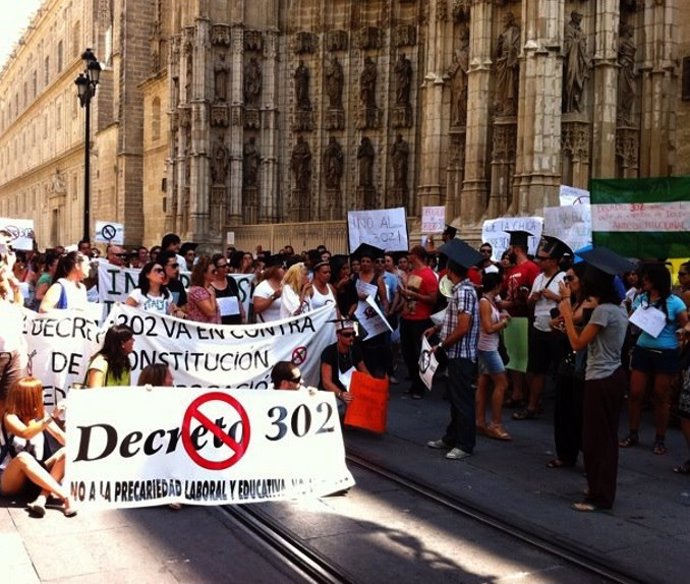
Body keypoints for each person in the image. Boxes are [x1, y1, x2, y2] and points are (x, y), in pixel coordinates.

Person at [558, 247, 632, 511]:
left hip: (601, 377)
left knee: (596, 439)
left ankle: (600, 496)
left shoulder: (604, 312)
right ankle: (598, 488)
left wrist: (566, 313)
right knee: (603, 437)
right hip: (611, 376)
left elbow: (577, 344)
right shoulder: (617, 309)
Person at [620, 262, 688, 455]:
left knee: (661, 396)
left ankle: (660, 438)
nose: (644, 281)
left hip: (666, 352)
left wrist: (681, 331)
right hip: (643, 348)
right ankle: (633, 433)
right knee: (635, 393)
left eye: (647, 278)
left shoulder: (675, 302)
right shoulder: (641, 298)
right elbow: (632, 319)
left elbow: (685, 324)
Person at [425, 239, 482, 460]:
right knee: (455, 398)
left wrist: (441, 344)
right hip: (456, 353)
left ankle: (465, 444)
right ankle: (451, 437)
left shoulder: (464, 292)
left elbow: (463, 327)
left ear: (450, 270)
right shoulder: (460, 290)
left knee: (462, 399)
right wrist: (437, 328)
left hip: (462, 354)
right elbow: (455, 319)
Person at [0, 377, 76, 517]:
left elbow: (60, 437)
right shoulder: (10, 416)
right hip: (12, 480)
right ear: (29, 396)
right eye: (40, 392)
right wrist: (50, 418)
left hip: (37, 475)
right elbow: (26, 433)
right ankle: (65, 497)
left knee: (67, 452)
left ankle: (41, 499)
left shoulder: (42, 415)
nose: (43, 394)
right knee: (23, 457)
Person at [514, 236, 569, 421]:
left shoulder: (563, 278)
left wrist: (554, 296)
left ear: (553, 261)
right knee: (535, 369)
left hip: (557, 330)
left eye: (542, 258)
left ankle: (563, 408)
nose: (538, 261)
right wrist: (532, 299)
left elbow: (569, 303)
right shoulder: (538, 278)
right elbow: (529, 303)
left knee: (562, 371)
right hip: (538, 326)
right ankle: (532, 405)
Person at [547, 262, 592, 468]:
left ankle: (589, 458)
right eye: (565, 279)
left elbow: (574, 318)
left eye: (571, 278)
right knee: (563, 409)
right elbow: (556, 321)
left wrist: (564, 300)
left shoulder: (589, 302)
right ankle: (565, 453)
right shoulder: (572, 301)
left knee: (580, 412)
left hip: (582, 363)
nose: (566, 283)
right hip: (565, 358)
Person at [498, 230, 540, 409]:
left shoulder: (531, 268)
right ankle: (517, 393)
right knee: (513, 357)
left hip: (525, 318)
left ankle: (529, 397)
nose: (508, 251)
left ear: (516, 249)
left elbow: (532, 294)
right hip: (512, 319)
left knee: (525, 358)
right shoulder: (513, 270)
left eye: (511, 247)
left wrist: (513, 303)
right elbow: (506, 291)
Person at [475, 272, 512, 440]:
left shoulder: (490, 302)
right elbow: (488, 328)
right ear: (496, 285)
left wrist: (501, 316)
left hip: (487, 346)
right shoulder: (485, 303)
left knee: (483, 383)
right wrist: (502, 323)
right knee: (502, 383)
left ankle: (480, 421)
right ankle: (495, 423)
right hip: (488, 348)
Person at [399, 245, 439, 399]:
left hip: (420, 320)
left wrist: (416, 297)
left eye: (410, 254)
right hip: (407, 317)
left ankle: (420, 386)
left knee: (418, 353)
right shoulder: (412, 273)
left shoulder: (428, 275)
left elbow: (433, 299)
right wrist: (404, 294)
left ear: (415, 256)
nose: (408, 256)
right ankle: (414, 382)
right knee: (408, 352)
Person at [320, 319, 370, 406]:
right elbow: (326, 382)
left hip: (350, 389)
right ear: (338, 335)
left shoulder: (355, 349)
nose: (351, 337)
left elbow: (365, 372)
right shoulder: (329, 352)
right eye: (347, 335)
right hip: (333, 392)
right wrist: (340, 394)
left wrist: (376, 388)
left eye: (353, 334)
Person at [211, 253, 244, 325]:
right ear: (216, 269)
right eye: (223, 266)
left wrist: (243, 315)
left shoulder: (231, 280)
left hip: (235, 320)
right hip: (218, 322)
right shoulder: (209, 284)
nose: (227, 268)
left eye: (227, 265)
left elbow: (237, 299)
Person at [186, 256, 221, 324]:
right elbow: (211, 312)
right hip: (201, 331)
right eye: (213, 271)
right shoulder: (197, 291)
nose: (216, 273)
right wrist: (212, 295)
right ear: (204, 273)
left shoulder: (208, 288)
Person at [253, 255, 285, 323]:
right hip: (267, 329)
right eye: (282, 268)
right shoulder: (262, 287)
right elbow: (257, 308)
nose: (285, 270)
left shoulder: (286, 285)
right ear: (274, 270)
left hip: (283, 328)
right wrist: (273, 297)